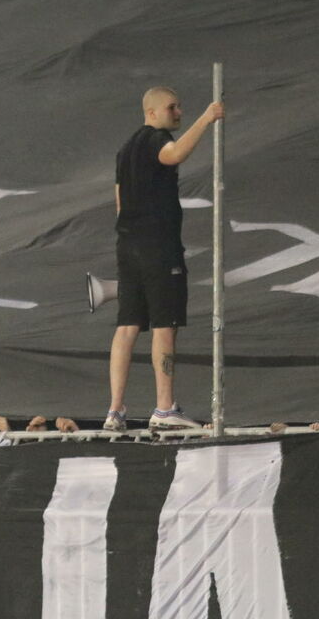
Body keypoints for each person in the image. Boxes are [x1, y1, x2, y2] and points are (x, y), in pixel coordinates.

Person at [104, 86, 223, 431]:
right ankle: (165, 407)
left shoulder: (125, 150)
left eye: (180, 107)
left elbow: (120, 202)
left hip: (128, 244)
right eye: (173, 107)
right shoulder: (155, 139)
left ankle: (115, 410)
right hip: (158, 246)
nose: (179, 112)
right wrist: (207, 118)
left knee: (127, 325)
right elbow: (174, 154)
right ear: (152, 112)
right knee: (164, 324)